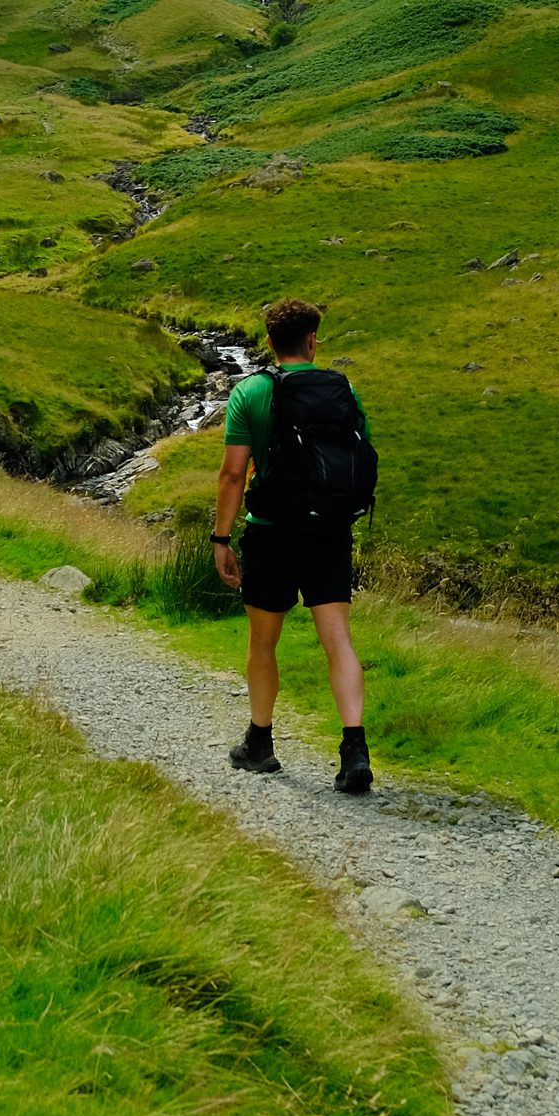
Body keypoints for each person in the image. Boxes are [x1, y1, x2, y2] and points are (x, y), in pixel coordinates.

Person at [211, 296, 374, 795]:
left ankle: (260, 743)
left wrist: (221, 537)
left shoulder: (251, 392)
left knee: (263, 640)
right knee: (337, 640)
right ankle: (354, 752)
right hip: (330, 529)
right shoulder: (342, 387)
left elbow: (233, 473)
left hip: (273, 529)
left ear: (268, 342)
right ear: (312, 340)